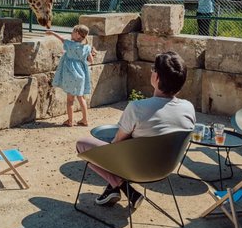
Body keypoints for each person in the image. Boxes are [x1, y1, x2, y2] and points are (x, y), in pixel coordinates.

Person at [75, 51, 195, 208]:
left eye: (154, 69)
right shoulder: (188, 107)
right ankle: (124, 191)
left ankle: (123, 186)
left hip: (135, 169)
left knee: (83, 145)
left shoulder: (137, 107)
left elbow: (117, 142)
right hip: (165, 167)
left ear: (157, 77)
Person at [46, 25, 97, 127]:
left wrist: (52, 32)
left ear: (77, 34)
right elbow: (91, 61)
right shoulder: (87, 47)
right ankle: (85, 120)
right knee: (81, 97)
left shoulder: (69, 44)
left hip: (70, 76)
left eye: (73, 31)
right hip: (81, 76)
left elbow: (61, 38)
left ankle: (70, 121)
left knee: (70, 100)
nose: (71, 33)